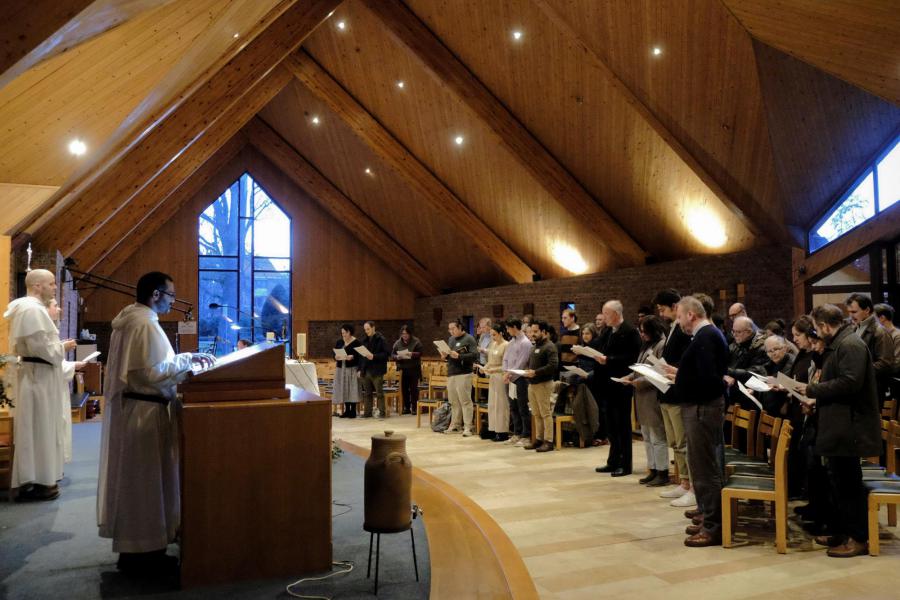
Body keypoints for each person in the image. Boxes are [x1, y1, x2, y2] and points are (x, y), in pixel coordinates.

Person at [97, 271, 214, 573]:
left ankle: (139, 548)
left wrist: (186, 359)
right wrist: (188, 361)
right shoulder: (143, 324)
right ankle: (144, 553)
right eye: (171, 295)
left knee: (141, 484)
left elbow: (149, 369)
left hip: (139, 410)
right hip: (145, 414)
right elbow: (148, 372)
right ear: (156, 294)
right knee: (145, 484)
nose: (174, 302)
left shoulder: (133, 320)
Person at [797, 304, 882, 557]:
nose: (816, 333)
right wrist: (816, 402)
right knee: (838, 483)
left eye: (817, 327)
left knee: (849, 485)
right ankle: (843, 531)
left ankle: (858, 538)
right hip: (838, 424)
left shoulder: (850, 345)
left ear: (824, 326)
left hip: (850, 426)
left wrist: (812, 391)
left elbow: (850, 383)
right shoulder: (840, 343)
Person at [4, 269, 76, 501]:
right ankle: (39, 481)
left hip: (40, 376)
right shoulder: (31, 310)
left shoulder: (29, 309)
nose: (55, 288)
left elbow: (42, 345)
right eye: (51, 284)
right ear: (37, 286)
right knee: (39, 430)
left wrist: (57, 348)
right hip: (38, 379)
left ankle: (43, 480)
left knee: (42, 428)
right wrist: (62, 349)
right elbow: (43, 348)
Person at [670, 295, 729, 547]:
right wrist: (681, 374)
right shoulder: (706, 335)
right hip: (699, 408)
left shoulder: (706, 336)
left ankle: (714, 527)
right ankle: (708, 516)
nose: (679, 322)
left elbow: (708, 379)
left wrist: (680, 380)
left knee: (705, 470)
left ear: (691, 315)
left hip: (702, 409)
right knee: (701, 466)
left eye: (679, 317)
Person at [653, 289, 695, 506]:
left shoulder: (684, 330)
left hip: (678, 392)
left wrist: (668, 369)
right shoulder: (672, 328)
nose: (661, 314)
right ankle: (684, 482)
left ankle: (691, 486)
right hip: (666, 392)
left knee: (683, 441)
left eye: (662, 309)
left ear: (674, 305)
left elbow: (686, 362)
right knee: (674, 442)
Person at [619, 316, 669, 486]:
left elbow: (660, 374)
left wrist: (638, 382)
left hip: (653, 396)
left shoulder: (661, 345)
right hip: (641, 396)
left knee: (657, 437)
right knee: (647, 436)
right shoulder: (647, 345)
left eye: (644, 331)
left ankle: (663, 472)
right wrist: (629, 376)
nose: (641, 334)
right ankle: (652, 469)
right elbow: (640, 368)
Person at [593, 300, 641, 476]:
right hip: (607, 384)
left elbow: (633, 358)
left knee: (622, 426)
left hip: (621, 383)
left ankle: (625, 464)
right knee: (611, 426)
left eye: (606, 314)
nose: (603, 317)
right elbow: (601, 349)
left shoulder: (630, 332)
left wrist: (609, 360)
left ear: (615, 313)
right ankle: (613, 461)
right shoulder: (608, 331)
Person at [46, 298, 84, 472]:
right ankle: (51, 469)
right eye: (55, 305)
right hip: (49, 389)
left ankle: (55, 467)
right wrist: (72, 363)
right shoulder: (44, 328)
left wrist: (61, 346)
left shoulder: (50, 328)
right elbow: (46, 361)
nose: (59, 308)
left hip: (55, 387)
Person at [846, 293, 894, 407]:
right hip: (858, 388)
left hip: (871, 390)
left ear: (867, 310)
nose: (850, 316)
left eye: (854, 312)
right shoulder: (854, 328)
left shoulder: (880, 332)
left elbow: (885, 364)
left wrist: (858, 371)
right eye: (849, 312)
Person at [523, 321, 558, 452]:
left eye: (535, 331)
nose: (532, 334)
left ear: (544, 332)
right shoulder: (534, 346)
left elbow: (553, 366)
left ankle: (549, 441)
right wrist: (527, 370)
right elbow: (531, 364)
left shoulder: (550, 347)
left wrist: (536, 372)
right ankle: (538, 439)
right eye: (531, 331)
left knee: (545, 413)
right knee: (536, 413)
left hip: (544, 383)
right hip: (532, 384)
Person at [441, 318, 478, 436]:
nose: (451, 331)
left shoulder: (469, 338)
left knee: (465, 400)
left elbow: (474, 355)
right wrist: (445, 356)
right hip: (452, 372)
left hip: (464, 373)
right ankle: (455, 425)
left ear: (460, 327)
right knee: (453, 401)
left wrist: (460, 356)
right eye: (449, 329)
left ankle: (468, 426)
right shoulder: (451, 339)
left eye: (453, 329)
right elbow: (450, 356)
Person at [503, 317, 532, 446]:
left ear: (514, 327)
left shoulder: (525, 342)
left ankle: (526, 435)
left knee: (522, 407)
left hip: (520, 379)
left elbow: (522, 362)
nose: (507, 331)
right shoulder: (511, 342)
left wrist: (510, 373)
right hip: (509, 378)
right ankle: (517, 433)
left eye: (508, 328)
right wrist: (505, 372)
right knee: (513, 407)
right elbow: (505, 358)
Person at [481, 323, 509, 442]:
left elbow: (506, 364)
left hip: (501, 376)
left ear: (501, 333)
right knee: (492, 404)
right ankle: (493, 429)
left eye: (495, 335)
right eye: (491, 335)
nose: (493, 337)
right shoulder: (493, 344)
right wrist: (484, 367)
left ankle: (502, 431)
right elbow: (490, 360)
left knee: (501, 405)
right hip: (492, 376)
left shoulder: (506, 345)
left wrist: (494, 369)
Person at [358, 321, 389, 419]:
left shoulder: (381, 339)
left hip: (377, 370)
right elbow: (361, 357)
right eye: (365, 330)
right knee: (367, 393)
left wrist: (374, 356)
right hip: (366, 370)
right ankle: (367, 412)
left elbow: (386, 354)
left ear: (373, 328)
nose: (366, 331)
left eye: (368, 329)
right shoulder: (365, 340)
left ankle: (382, 413)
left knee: (379, 393)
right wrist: (359, 369)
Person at [391, 324, 423, 414]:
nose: (404, 335)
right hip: (402, 369)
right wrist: (397, 357)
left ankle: (414, 408)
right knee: (404, 389)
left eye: (406, 334)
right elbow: (392, 355)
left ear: (410, 334)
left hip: (414, 368)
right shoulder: (397, 343)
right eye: (403, 334)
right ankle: (406, 407)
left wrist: (411, 354)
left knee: (413, 389)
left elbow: (421, 353)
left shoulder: (416, 341)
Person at [333, 323, 361, 418]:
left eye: (344, 333)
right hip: (341, 368)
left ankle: (352, 411)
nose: (343, 335)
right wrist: (336, 357)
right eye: (342, 333)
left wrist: (352, 357)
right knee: (344, 389)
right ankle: (346, 410)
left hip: (351, 368)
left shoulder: (356, 343)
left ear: (349, 332)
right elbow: (334, 354)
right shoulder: (339, 342)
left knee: (351, 389)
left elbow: (360, 356)